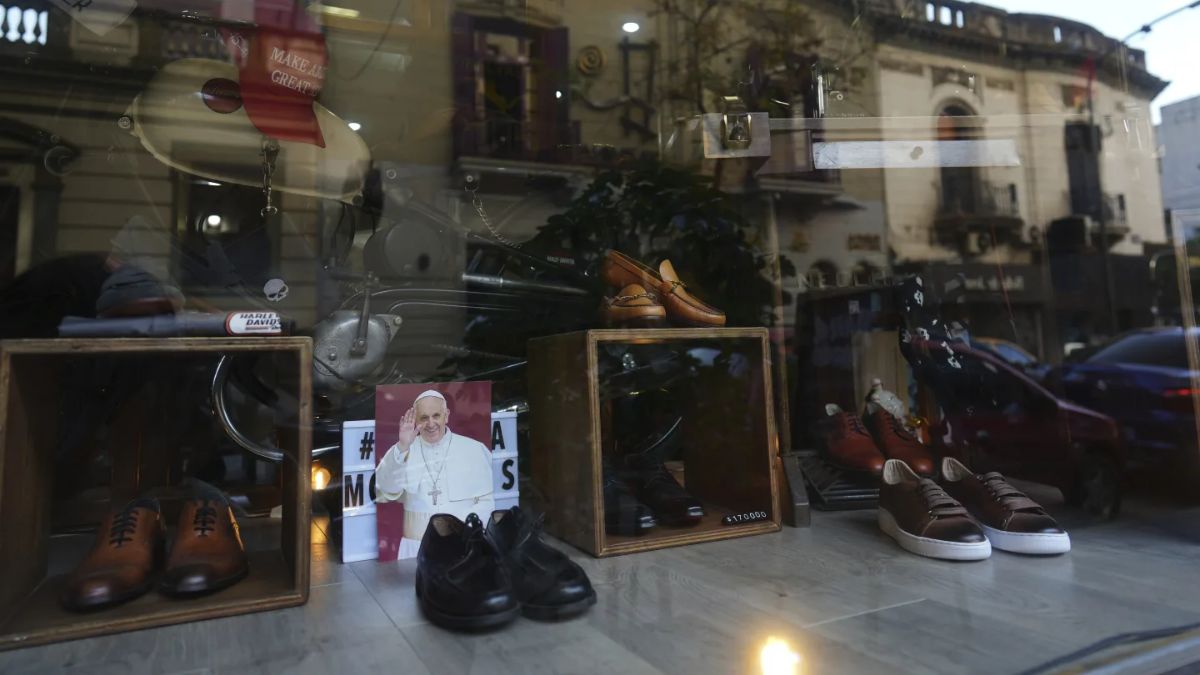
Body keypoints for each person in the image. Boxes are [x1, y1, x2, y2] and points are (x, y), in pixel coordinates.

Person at [375, 389, 495, 558]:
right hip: (416, 548)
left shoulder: (474, 449)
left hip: (462, 545)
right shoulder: (403, 450)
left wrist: (465, 533)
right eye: (424, 418)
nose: (431, 424)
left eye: (436, 416)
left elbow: (486, 501)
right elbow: (385, 489)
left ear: (446, 415)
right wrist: (402, 446)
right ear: (416, 420)